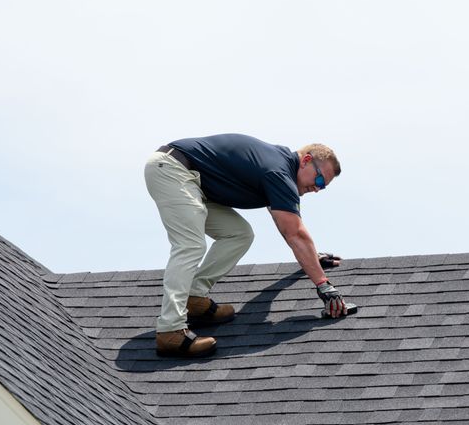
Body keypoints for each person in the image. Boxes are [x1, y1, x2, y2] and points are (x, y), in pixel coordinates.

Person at [144, 133, 349, 358]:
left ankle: (193, 297)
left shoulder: (279, 169)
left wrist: (312, 258)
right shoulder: (277, 171)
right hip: (173, 170)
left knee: (239, 234)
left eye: (323, 187)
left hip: (193, 181)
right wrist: (324, 284)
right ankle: (170, 330)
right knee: (190, 245)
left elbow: (287, 226)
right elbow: (295, 233)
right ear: (307, 161)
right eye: (319, 180)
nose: (317, 189)